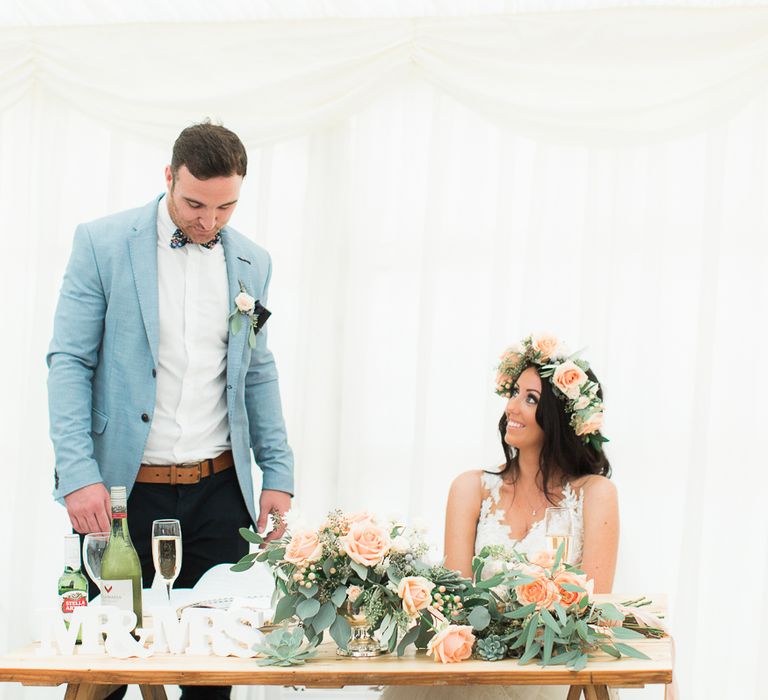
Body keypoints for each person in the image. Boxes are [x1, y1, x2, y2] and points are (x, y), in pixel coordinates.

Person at [47, 121, 294, 700]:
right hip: (122, 495)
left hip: (219, 493)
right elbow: (68, 362)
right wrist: (79, 474)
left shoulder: (252, 263)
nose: (209, 221)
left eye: (226, 207)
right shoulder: (102, 243)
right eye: (195, 203)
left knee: (211, 674)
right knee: (104, 670)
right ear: (168, 177)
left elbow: (258, 370)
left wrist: (277, 474)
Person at [382, 333, 619, 700]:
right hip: (476, 665)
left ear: (560, 417)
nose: (512, 406)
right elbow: (454, 604)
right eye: (513, 392)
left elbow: (595, 609)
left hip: (552, 669)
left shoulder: (594, 495)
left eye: (530, 398)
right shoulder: (470, 488)